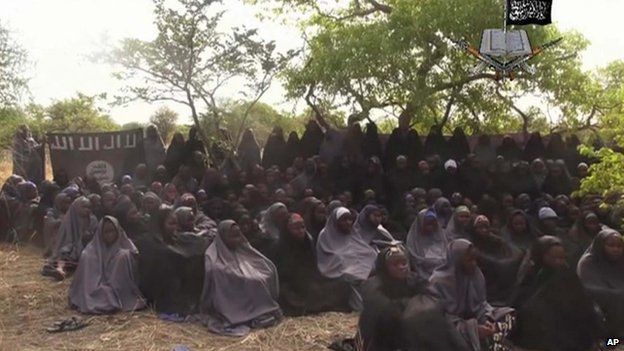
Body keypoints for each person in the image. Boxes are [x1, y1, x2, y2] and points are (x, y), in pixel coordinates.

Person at [358, 244, 470, 351]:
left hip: (416, 327)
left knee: (442, 322)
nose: (402, 267)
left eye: (404, 263)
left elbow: (435, 300)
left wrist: (416, 309)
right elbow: (385, 312)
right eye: (395, 264)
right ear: (384, 267)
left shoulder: (413, 279)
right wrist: (413, 306)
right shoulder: (373, 285)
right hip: (386, 335)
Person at [509, 236, 604, 351]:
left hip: (572, 332)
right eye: (554, 258)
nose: (559, 262)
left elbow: (584, 305)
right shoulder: (531, 276)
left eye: (562, 258)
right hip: (540, 335)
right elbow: (522, 306)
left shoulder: (567, 275)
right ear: (540, 255)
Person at [199, 220, 283, 336]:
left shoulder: (242, 246)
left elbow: (256, 258)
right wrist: (238, 274)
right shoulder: (213, 253)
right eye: (232, 236)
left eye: (238, 235)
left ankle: (260, 310)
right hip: (231, 280)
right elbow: (215, 268)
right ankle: (244, 313)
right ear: (223, 237)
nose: (237, 239)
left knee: (264, 274)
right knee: (253, 280)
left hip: (245, 270)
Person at [429, 239, 515, 351]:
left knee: (508, 315)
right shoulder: (438, 282)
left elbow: (481, 304)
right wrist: (473, 329)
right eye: (469, 260)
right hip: (453, 327)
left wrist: (486, 320)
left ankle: (492, 340)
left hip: (476, 319)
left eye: (475, 260)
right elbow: (441, 318)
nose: (474, 264)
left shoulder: (476, 275)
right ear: (457, 260)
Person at [275, 213, 351, 316]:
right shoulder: (279, 247)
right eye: (296, 228)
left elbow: (313, 266)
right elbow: (282, 275)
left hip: (310, 279)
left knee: (342, 284)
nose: (301, 231)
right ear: (287, 229)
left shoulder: (307, 241)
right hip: (292, 286)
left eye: (302, 227)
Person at [69, 216, 146, 314]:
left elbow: (122, 281)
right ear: (100, 233)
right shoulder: (89, 253)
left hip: (116, 291)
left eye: (113, 231)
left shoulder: (123, 252)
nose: (110, 235)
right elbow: (87, 285)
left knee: (123, 255)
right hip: (94, 290)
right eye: (106, 232)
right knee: (103, 296)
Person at [316, 207, 378, 310]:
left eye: (350, 219)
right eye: (344, 220)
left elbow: (363, 249)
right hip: (336, 272)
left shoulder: (351, 232)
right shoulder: (326, 234)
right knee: (352, 277)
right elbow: (329, 258)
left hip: (355, 267)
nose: (348, 222)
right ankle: (361, 307)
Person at [577, 229, 624, 336]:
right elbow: (588, 289)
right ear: (601, 245)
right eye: (611, 245)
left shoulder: (621, 260)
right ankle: (612, 342)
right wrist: (618, 293)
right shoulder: (588, 262)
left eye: (619, 246)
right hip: (598, 308)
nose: (616, 249)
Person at [44, 196, 98, 280]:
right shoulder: (69, 219)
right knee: (65, 253)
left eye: (89, 207)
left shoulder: (93, 220)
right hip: (70, 246)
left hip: (86, 246)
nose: (87, 210)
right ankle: (60, 270)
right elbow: (64, 238)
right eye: (84, 207)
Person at [406, 209, 448, 280]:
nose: (431, 227)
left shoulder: (441, 238)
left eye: (433, 224)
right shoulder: (413, 241)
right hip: (423, 277)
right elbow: (416, 261)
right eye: (428, 224)